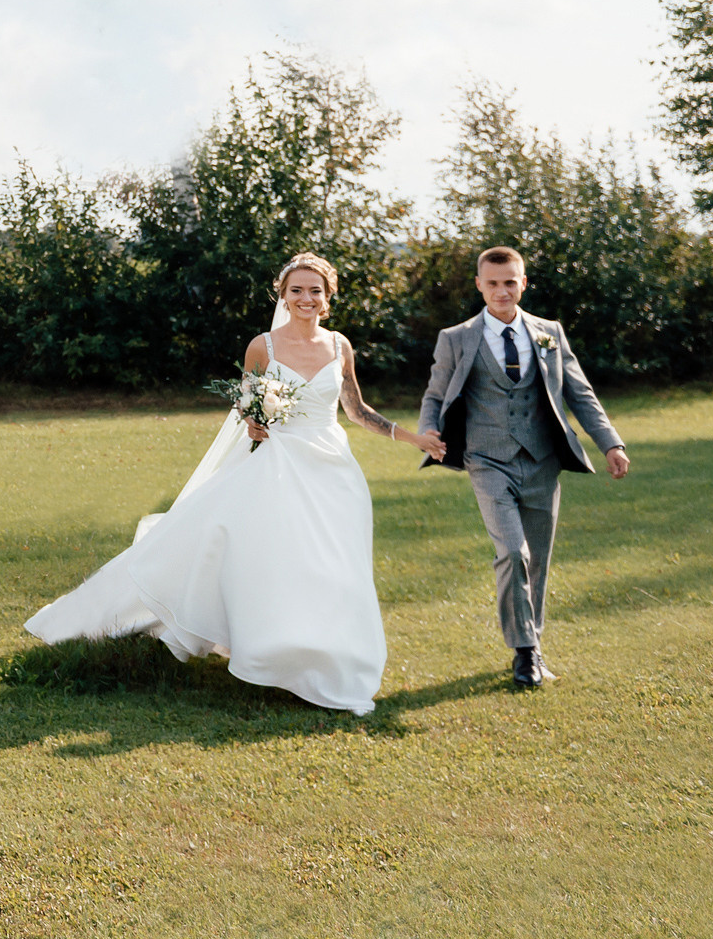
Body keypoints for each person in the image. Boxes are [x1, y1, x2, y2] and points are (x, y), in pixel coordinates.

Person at [25, 253, 420, 715]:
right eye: (296, 290)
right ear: (283, 295)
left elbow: (356, 410)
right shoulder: (263, 347)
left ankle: (329, 657)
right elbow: (245, 404)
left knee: (332, 566)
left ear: (328, 297)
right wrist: (254, 422)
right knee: (266, 557)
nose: (305, 298)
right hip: (278, 466)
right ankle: (271, 650)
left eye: (315, 290)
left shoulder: (340, 347)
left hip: (333, 472)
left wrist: (411, 437)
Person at [414, 246, 631, 691]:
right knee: (513, 552)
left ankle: (533, 643)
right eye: (492, 283)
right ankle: (524, 653)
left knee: (538, 560)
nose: (501, 290)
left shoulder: (549, 332)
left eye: (510, 281)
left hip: (541, 460)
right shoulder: (456, 338)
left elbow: (580, 392)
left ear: (523, 283)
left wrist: (611, 442)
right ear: (479, 285)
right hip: (487, 459)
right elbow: (435, 395)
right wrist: (428, 432)